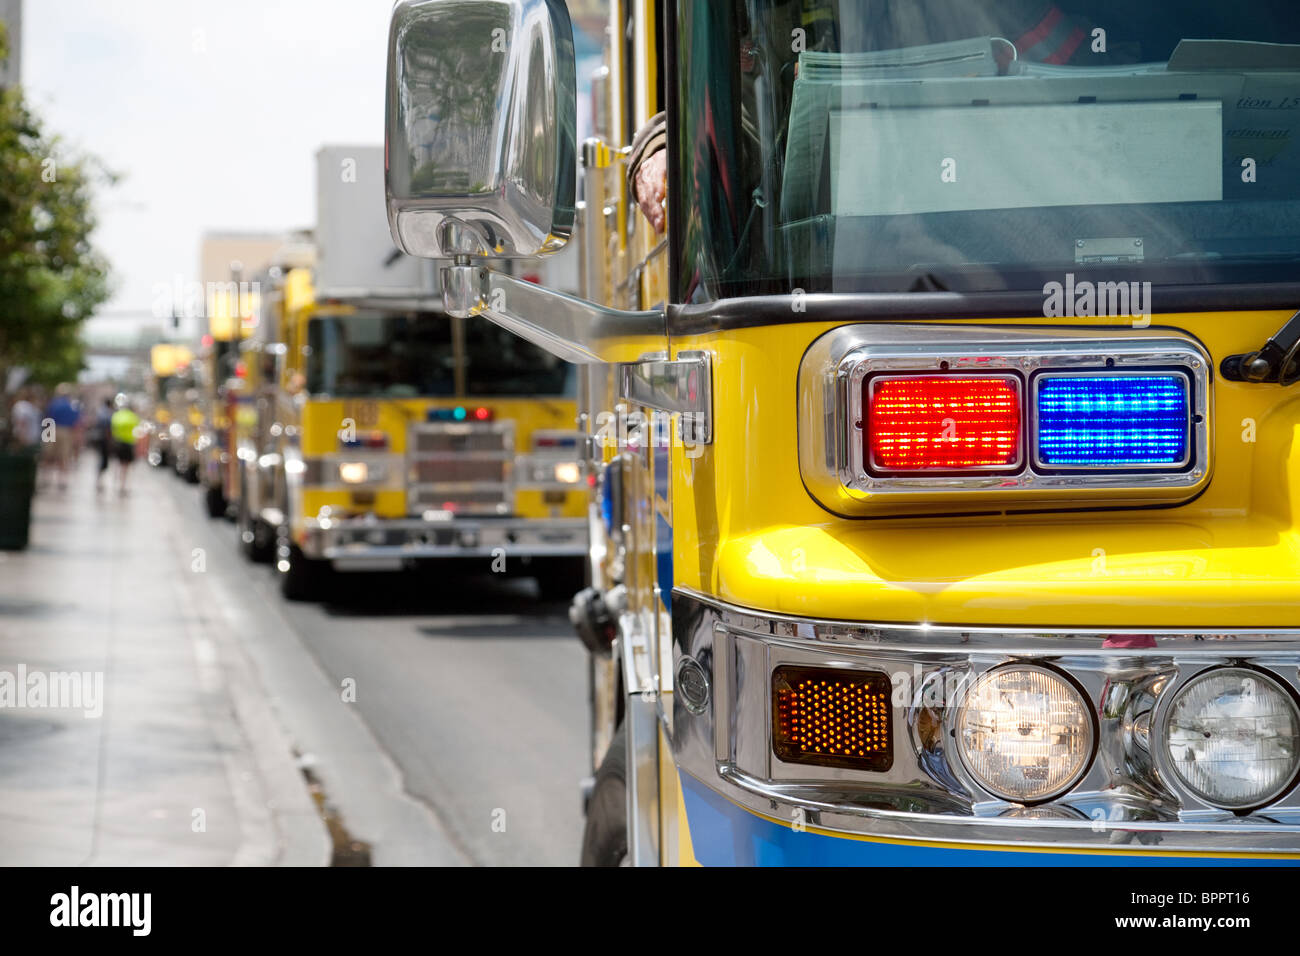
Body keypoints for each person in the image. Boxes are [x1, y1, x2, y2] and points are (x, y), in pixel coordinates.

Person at [44, 384, 81, 491]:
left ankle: (47, 478)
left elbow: (47, 419)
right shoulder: (71, 406)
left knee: (48, 455)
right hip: (66, 432)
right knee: (64, 457)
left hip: (52, 429)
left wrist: (45, 435)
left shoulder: (53, 404)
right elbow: (76, 423)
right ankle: (62, 481)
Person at [108, 394, 140, 495]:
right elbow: (137, 431)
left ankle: (116, 483)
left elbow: (112, 429)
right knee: (126, 466)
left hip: (118, 442)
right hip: (129, 443)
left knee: (117, 464)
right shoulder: (133, 417)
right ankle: (123, 485)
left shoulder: (116, 416)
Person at [92, 397, 113, 493]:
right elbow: (107, 429)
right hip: (104, 440)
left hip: (99, 439)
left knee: (100, 458)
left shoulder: (100, 412)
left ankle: (99, 479)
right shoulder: (108, 414)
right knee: (103, 460)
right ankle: (100, 479)